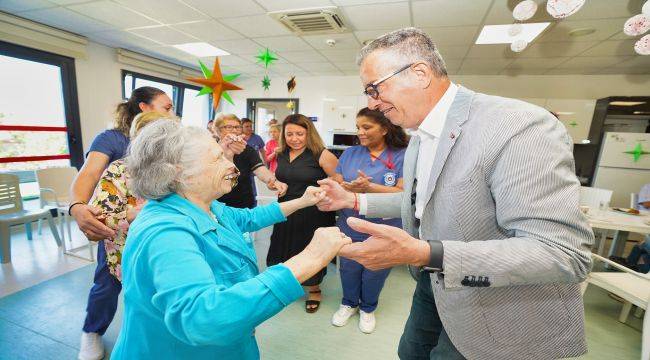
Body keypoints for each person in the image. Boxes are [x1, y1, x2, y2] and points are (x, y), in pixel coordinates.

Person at [316, 28, 593, 359]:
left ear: (419, 73)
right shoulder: (420, 134)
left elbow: (562, 253)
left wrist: (423, 253)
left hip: (492, 303)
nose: (371, 102)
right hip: (433, 285)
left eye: (374, 89)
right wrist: (353, 200)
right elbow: (427, 204)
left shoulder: (518, 126)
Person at [111, 120, 351, 359]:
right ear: (178, 173)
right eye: (217, 158)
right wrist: (311, 258)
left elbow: (249, 218)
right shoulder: (166, 232)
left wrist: (302, 201)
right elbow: (203, 319)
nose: (231, 166)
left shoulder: (206, 206)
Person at [69, 86, 174, 360]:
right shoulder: (113, 141)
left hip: (160, 236)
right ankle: (92, 331)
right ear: (143, 107)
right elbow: (89, 173)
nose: (172, 113)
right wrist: (77, 205)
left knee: (157, 289)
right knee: (107, 283)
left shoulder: (171, 146)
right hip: (119, 235)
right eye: (167, 106)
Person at [330, 107, 408, 334]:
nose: (360, 132)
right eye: (358, 128)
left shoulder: (402, 154)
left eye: (366, 127)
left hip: (385, 226)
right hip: (350, 223)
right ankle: (349, 303)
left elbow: (402, 192)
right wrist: (345, 186)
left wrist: (369, 187)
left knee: (376, 269)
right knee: (349, 267)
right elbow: (337, 180)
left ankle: (368, 307)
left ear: (384, 128)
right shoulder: (350, 153)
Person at [88, 111, 178, 283]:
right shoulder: (120, 170)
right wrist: (137, 214)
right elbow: (101, 220)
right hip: (134, 257)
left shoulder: (178, 169)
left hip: (171, 253)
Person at [267, 114, 339, 313]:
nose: (294, 138)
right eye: (289, 134)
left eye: (299, 134)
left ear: (309, 134)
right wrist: (276, 184)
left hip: (313, 213)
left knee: (309, 250)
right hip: (286, 210)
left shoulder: (321, 154)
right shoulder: (281, 153)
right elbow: (278, 177)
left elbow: (339, 180)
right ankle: (286, 284)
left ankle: (314, 289)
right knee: (282, 248)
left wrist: (325, 192)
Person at [214, 114, 287, 209]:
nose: (234, 130)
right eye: (229, 127)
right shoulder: (211, 149)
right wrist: (227, 155)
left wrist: (274, 181)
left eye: (237, 127)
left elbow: (260, 169)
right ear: (218, 130)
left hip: (243, 204)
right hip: (216, 204)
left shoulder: (247, 149)